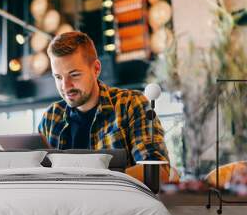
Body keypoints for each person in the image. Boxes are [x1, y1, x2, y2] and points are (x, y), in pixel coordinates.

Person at [38, 31, 169, 167]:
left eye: (74, 75)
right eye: (58, 77)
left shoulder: (130, 104)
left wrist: (97, 177)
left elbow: (157, 170)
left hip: (115, 189)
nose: (65, 86)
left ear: (96, 69)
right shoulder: (51, 117)